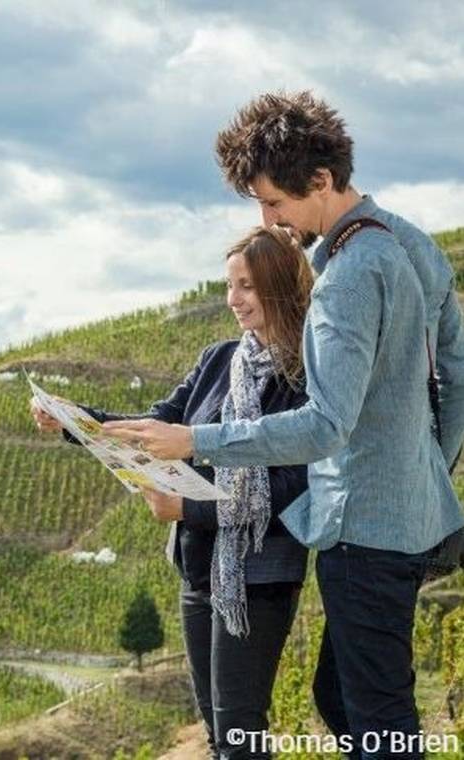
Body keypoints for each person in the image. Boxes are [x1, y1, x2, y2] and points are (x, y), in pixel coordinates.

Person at [110, 91, 464, 759]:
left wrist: (196, 440)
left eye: (274, 203)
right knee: (348, 699)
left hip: (363, 527)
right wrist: (426, 473)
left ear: (322, 182)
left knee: (377, 718)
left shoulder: (348, 278)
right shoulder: (413, 245)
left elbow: (326, 425)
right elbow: (458, 376)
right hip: (410, 520)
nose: (269, 219)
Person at [32, 226, 313, 759]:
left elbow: (293, 485)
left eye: (247, 285)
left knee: (239, 735)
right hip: (198, 568)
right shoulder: (218, 361)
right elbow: (157, 423)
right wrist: (74, 421)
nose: (233, 299)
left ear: (279, 286)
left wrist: (188, 507)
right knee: (217, 731)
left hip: (258, 577)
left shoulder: (304, 376)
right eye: (229, 286)